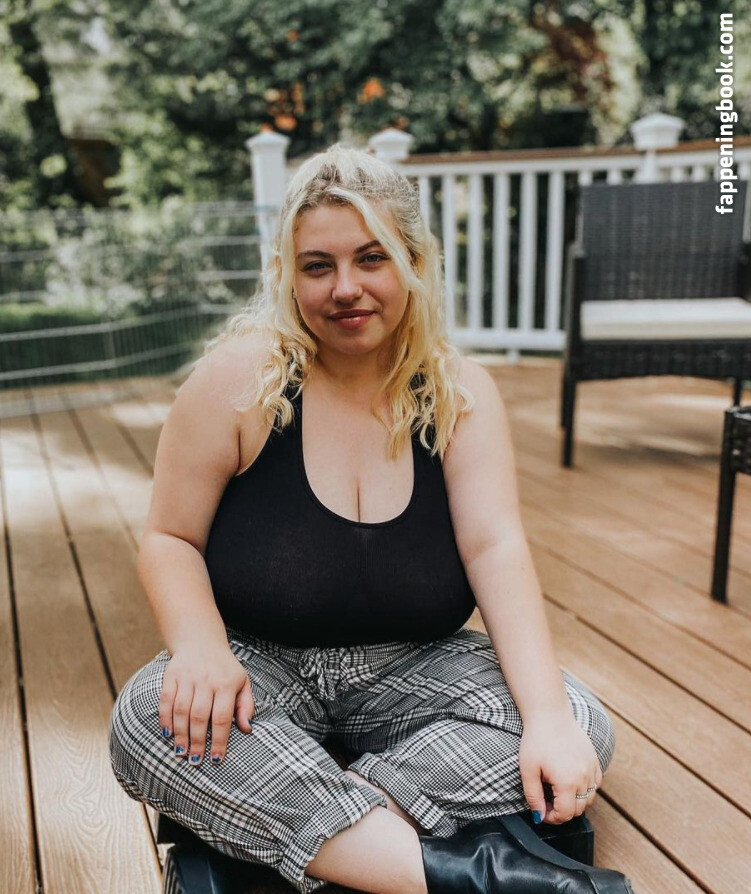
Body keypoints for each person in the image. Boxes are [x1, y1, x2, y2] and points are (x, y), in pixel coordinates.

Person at [109, 144, 634, 894]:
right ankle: (473, 878)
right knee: (147, 718)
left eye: (371, 258)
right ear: (287, 276)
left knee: (577, 719)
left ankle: (307, 837)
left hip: (413, 665)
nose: (345, 288)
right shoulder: (237, 382)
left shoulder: (458, 394)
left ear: (414, 262)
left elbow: (495, 548)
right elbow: (169, 539)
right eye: (317, 265)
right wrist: (198, 650)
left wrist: (546, 719)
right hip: (259, 666)